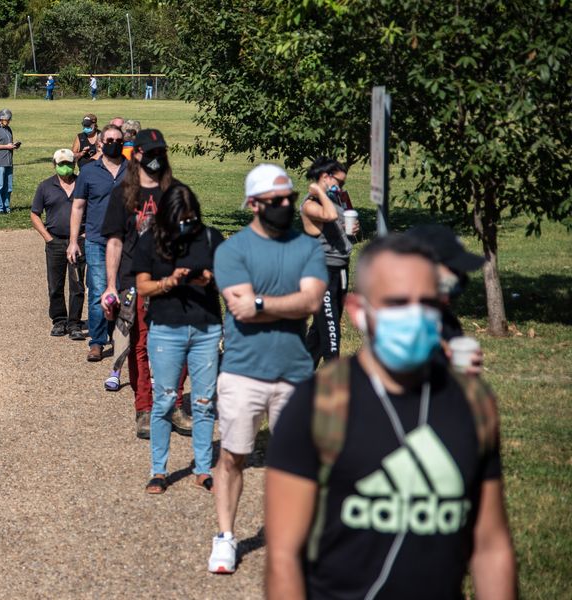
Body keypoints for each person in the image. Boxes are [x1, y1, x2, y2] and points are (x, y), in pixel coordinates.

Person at [265, 233, 516, 599]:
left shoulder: (473, 402)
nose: (414, 315)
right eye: (397, 303)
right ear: (358, 311)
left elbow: (491, 547)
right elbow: (284, 557)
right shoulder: (316, 404)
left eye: (427, 302)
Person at [207, 163, 327, 574]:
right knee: (233, 456)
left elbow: (311, 302)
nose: (285, 207)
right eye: (276, 201)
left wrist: (261, 304)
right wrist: (271, 305)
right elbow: (239, 306)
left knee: (295, 462)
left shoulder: (308, 247)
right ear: (254, 204)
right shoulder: (232, 250)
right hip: (243, 371)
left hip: (294, 373)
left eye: (290, 200)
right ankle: (225, 537)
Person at [135, 182, 223, 492]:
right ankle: (158, 470)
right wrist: (167, 283)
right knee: (165, 401)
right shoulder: (151, 240)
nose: (186, 224)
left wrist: (209, 278)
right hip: (166, 329)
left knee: (202, 402)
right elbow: (142, 286)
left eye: (191, 218)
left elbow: (227, 280)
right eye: (180, 218)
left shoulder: (210, 237)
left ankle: (202, 467)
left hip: (206, 328)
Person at [100, 129, 173, 438]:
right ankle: (144, 408)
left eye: (161, 152)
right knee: (139, 346)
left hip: (169, 280)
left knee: (172, 345)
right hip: (134, 281)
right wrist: (110, 286)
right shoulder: (124, 194)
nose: (156, 158)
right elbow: (114, 242)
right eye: (150, 152)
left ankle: (172, 405)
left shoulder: (174, 193)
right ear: (137, 155)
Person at [67, 125, 127, 363]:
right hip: (96, 241)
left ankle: (122, 338)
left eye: (118, 140)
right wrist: (73, 241)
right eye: (109, 139)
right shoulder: (89, 172)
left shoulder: (133, 170)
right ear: (101, 143)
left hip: (126, 241)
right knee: (98, 291)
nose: (114, 143)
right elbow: (78, 207)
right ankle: (97, 342)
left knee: (125, 291)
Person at [406, 224, 487, 373]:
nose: (460, 277)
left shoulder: (447, 320)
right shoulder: (399, 326)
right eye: (453, 269)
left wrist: (468, 379)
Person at [301, 157, 358, 367]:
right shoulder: (310, 204)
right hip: (322, 272)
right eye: (339, 182)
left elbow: (337, 223)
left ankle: (300, 377)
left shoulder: (334, 200)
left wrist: (351, 231)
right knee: (332, 331)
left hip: (341, 268)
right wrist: (319, 192)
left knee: (320, 329)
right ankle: (335, 384)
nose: (341, 188)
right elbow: (330, 215)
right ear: (325, 177)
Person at [31, 149, 87, 340]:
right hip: (55, 241)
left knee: (77, 284)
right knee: (55, 284)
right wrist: (47, 237)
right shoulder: (45, 186)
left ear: (74, 164)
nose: (66, 168)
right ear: (54, 165)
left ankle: (74, 323)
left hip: (78, 242)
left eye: (69, 164)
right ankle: (59, 320)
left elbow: (96, 210)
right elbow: (34, 214)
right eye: (61, 164)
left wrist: (85, 235)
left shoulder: (83, 184)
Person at [0, 109, 20, 214]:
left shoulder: (8, 129)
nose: (9, 121)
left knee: (9, 187)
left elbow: (8, 143)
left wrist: (14, 145)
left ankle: (7, 207)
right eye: (7, 119)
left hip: (9, 161)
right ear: (1, 119)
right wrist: (6, 146)